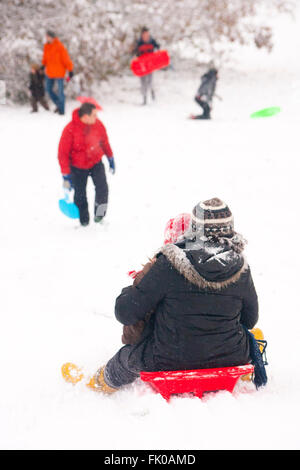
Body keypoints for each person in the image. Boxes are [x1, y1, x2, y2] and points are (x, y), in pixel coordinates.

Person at [89, 197, 259, 394]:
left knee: (127, 358)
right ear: (230, 229)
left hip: (168, 360)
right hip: (230, 356)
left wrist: (132, 290)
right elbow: (249, 320)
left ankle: (101, 382)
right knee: (252, 337)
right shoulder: (240, 267)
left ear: (194, 230)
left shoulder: (169, 263)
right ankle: (243, 371)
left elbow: (125, 313)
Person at [58, 102, 115, 226]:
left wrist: (110, 157)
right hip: (77, 167)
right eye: (94, 115)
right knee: (79, 194)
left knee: (103, 189)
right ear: (85, 117)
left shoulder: (98, 124)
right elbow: (62, 153)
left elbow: (104, 142)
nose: (97, 117)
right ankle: (84, 221)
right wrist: (66, 175)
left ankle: (99, 216)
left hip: (95, 162)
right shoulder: (70, 129)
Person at [42, 30, 73, 115]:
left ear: (52, 37)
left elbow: (66, 58)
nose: (47, 38)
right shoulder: (46, 46)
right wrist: (43, 65)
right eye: (46, 36)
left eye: (48, 36)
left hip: (59, 72)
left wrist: (70, 69)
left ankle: (61, 111)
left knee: (60, 92)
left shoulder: (59, 46)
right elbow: (45, 57)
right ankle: (58, 105)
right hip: (50, 72)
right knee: (48, 89)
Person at [134, 27, 160, 105]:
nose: (146, 36)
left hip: (150, 64)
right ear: (142, 35)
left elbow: (158, 47)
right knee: (143, 82)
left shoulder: (152, 41)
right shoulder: (139, 42)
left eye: (147, 34)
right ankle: (144, 98)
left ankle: (152, 91)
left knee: (150, 81)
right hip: (142, 65)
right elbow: (136, 52)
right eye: (144, 34)